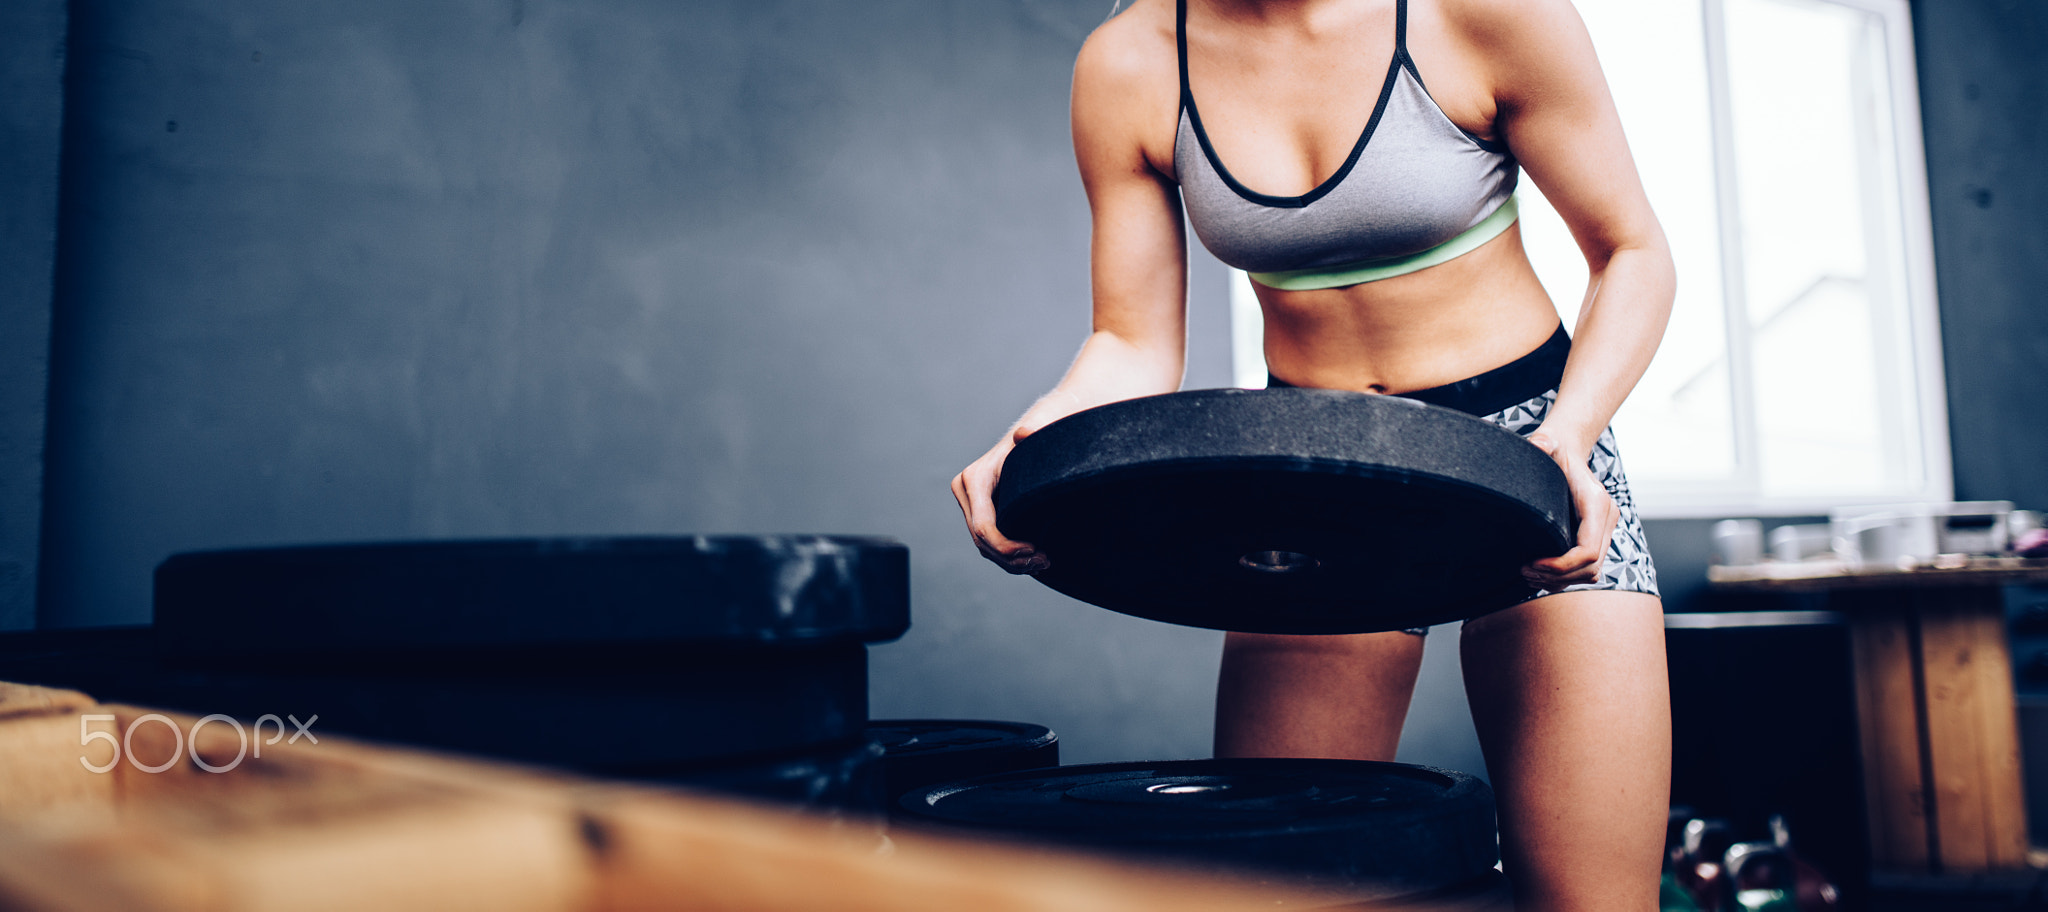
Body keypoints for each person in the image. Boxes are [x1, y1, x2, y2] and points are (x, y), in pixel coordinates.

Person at [949, 0, 1673, 908]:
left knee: (1592, 900)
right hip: (1309, 472)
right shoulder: (1129, 62)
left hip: (1531, 446)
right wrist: (1034, 442)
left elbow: (1632, 251)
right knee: (1277, 887)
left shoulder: (1485, 14)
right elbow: (1132, 341)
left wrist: (1572, 430)